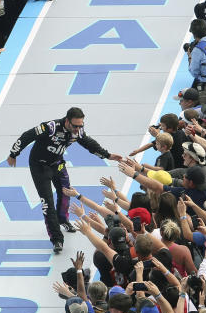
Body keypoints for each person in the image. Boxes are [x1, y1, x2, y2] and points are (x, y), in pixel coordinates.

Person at [8, 107, 122, 253]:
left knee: (66, 193)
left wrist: (107, 155)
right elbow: (26, 136)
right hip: (40, 167)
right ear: (67, 121)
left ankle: (63, 219)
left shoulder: (78, 131)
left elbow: (88, 143)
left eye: (81, 126)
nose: (78, 129)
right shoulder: (50, 127)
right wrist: (13, 154)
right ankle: (56, 239)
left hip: (58, 164)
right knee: (47, 203)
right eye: (75, 126)